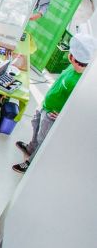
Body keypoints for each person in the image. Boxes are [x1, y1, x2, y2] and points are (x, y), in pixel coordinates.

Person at [13, 33, 96, 173]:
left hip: (52, 114)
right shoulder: (72, 67)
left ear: (72, 57)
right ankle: (30, 148)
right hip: (46, 104)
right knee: (35, 124)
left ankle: (30, 162)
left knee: (42, 138)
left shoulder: (80, 82)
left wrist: (63, 115)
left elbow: (78, 105)